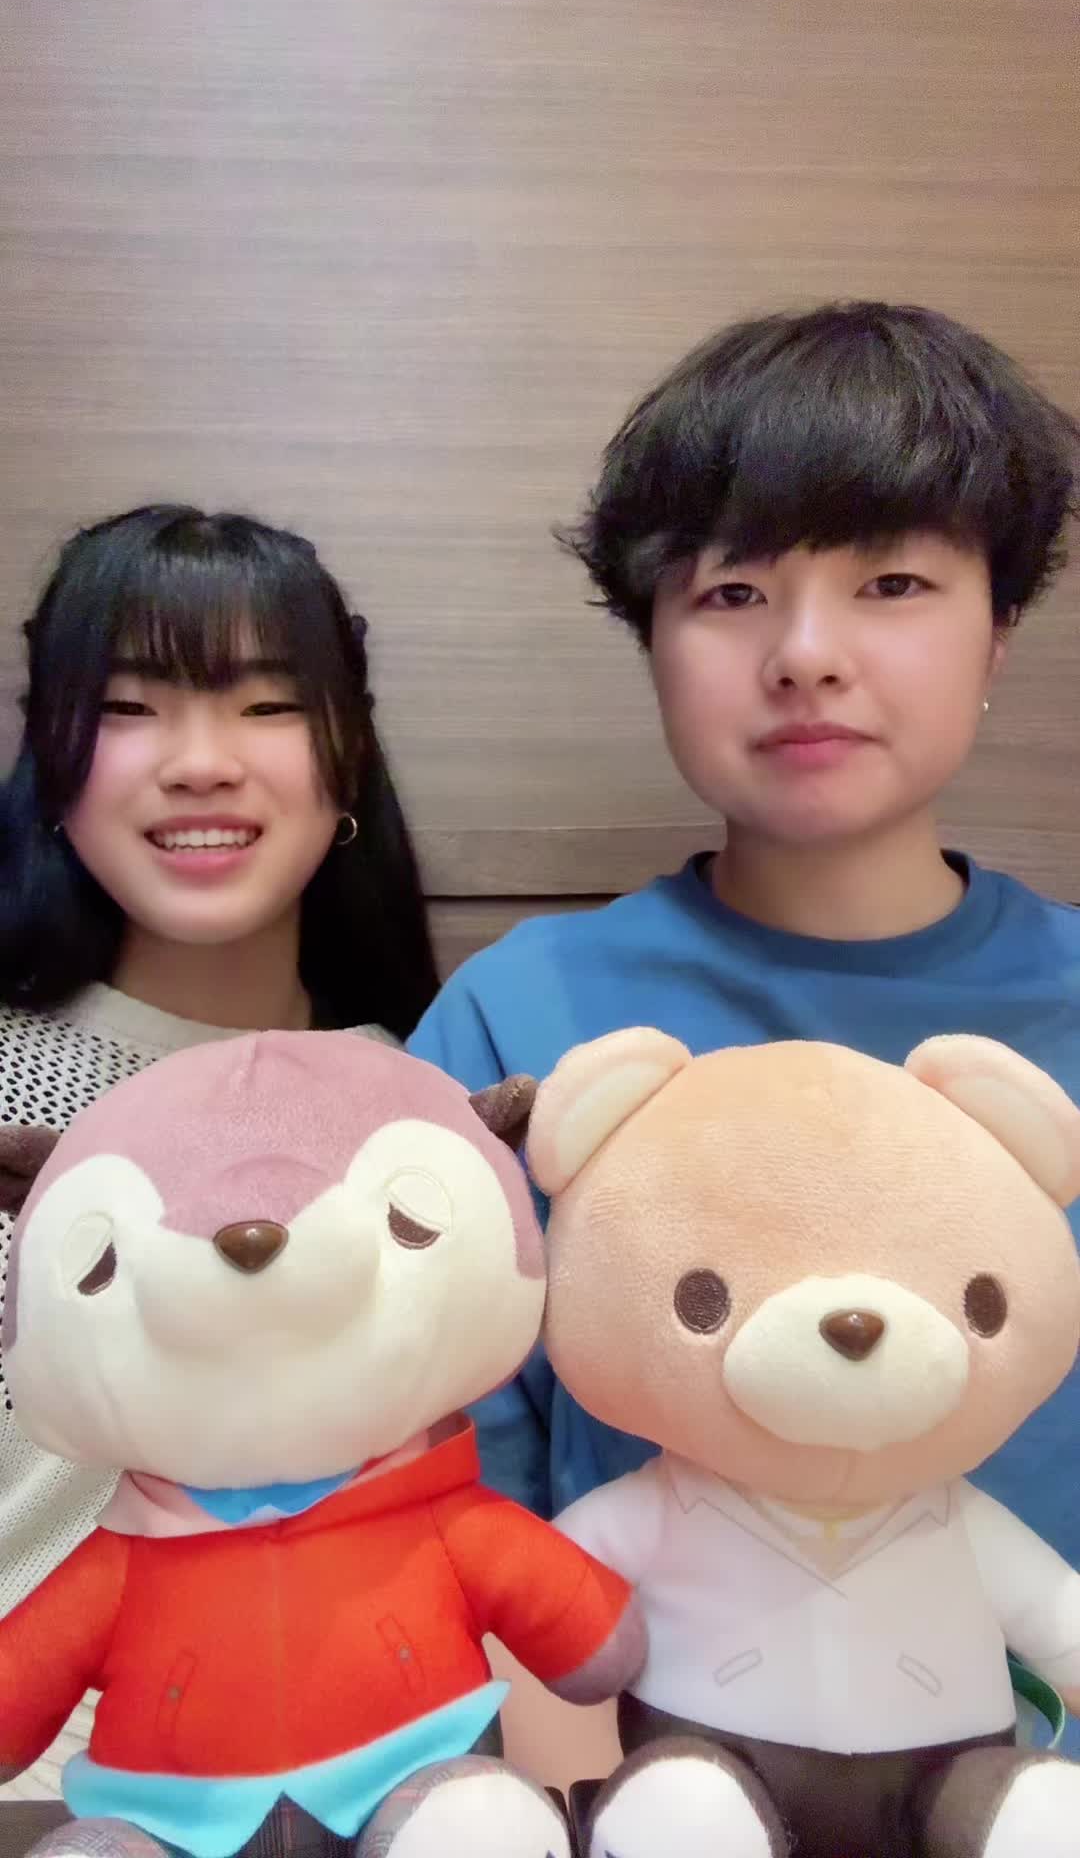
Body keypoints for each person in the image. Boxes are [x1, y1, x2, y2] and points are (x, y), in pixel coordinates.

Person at [407, 300, 1080, 1561]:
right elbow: (444, 1503)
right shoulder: (518, 1017)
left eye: (891, 583)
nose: (806, 655)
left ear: (997, 633)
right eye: (734, 591)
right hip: (634, 1692)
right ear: (653, 647)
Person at [0, 502, 439, 1799]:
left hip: (377, 1790)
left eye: (267, 706)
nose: (201, 763)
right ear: (53, 761)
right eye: (131, 708)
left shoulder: (428, 1105)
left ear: (347, 755)